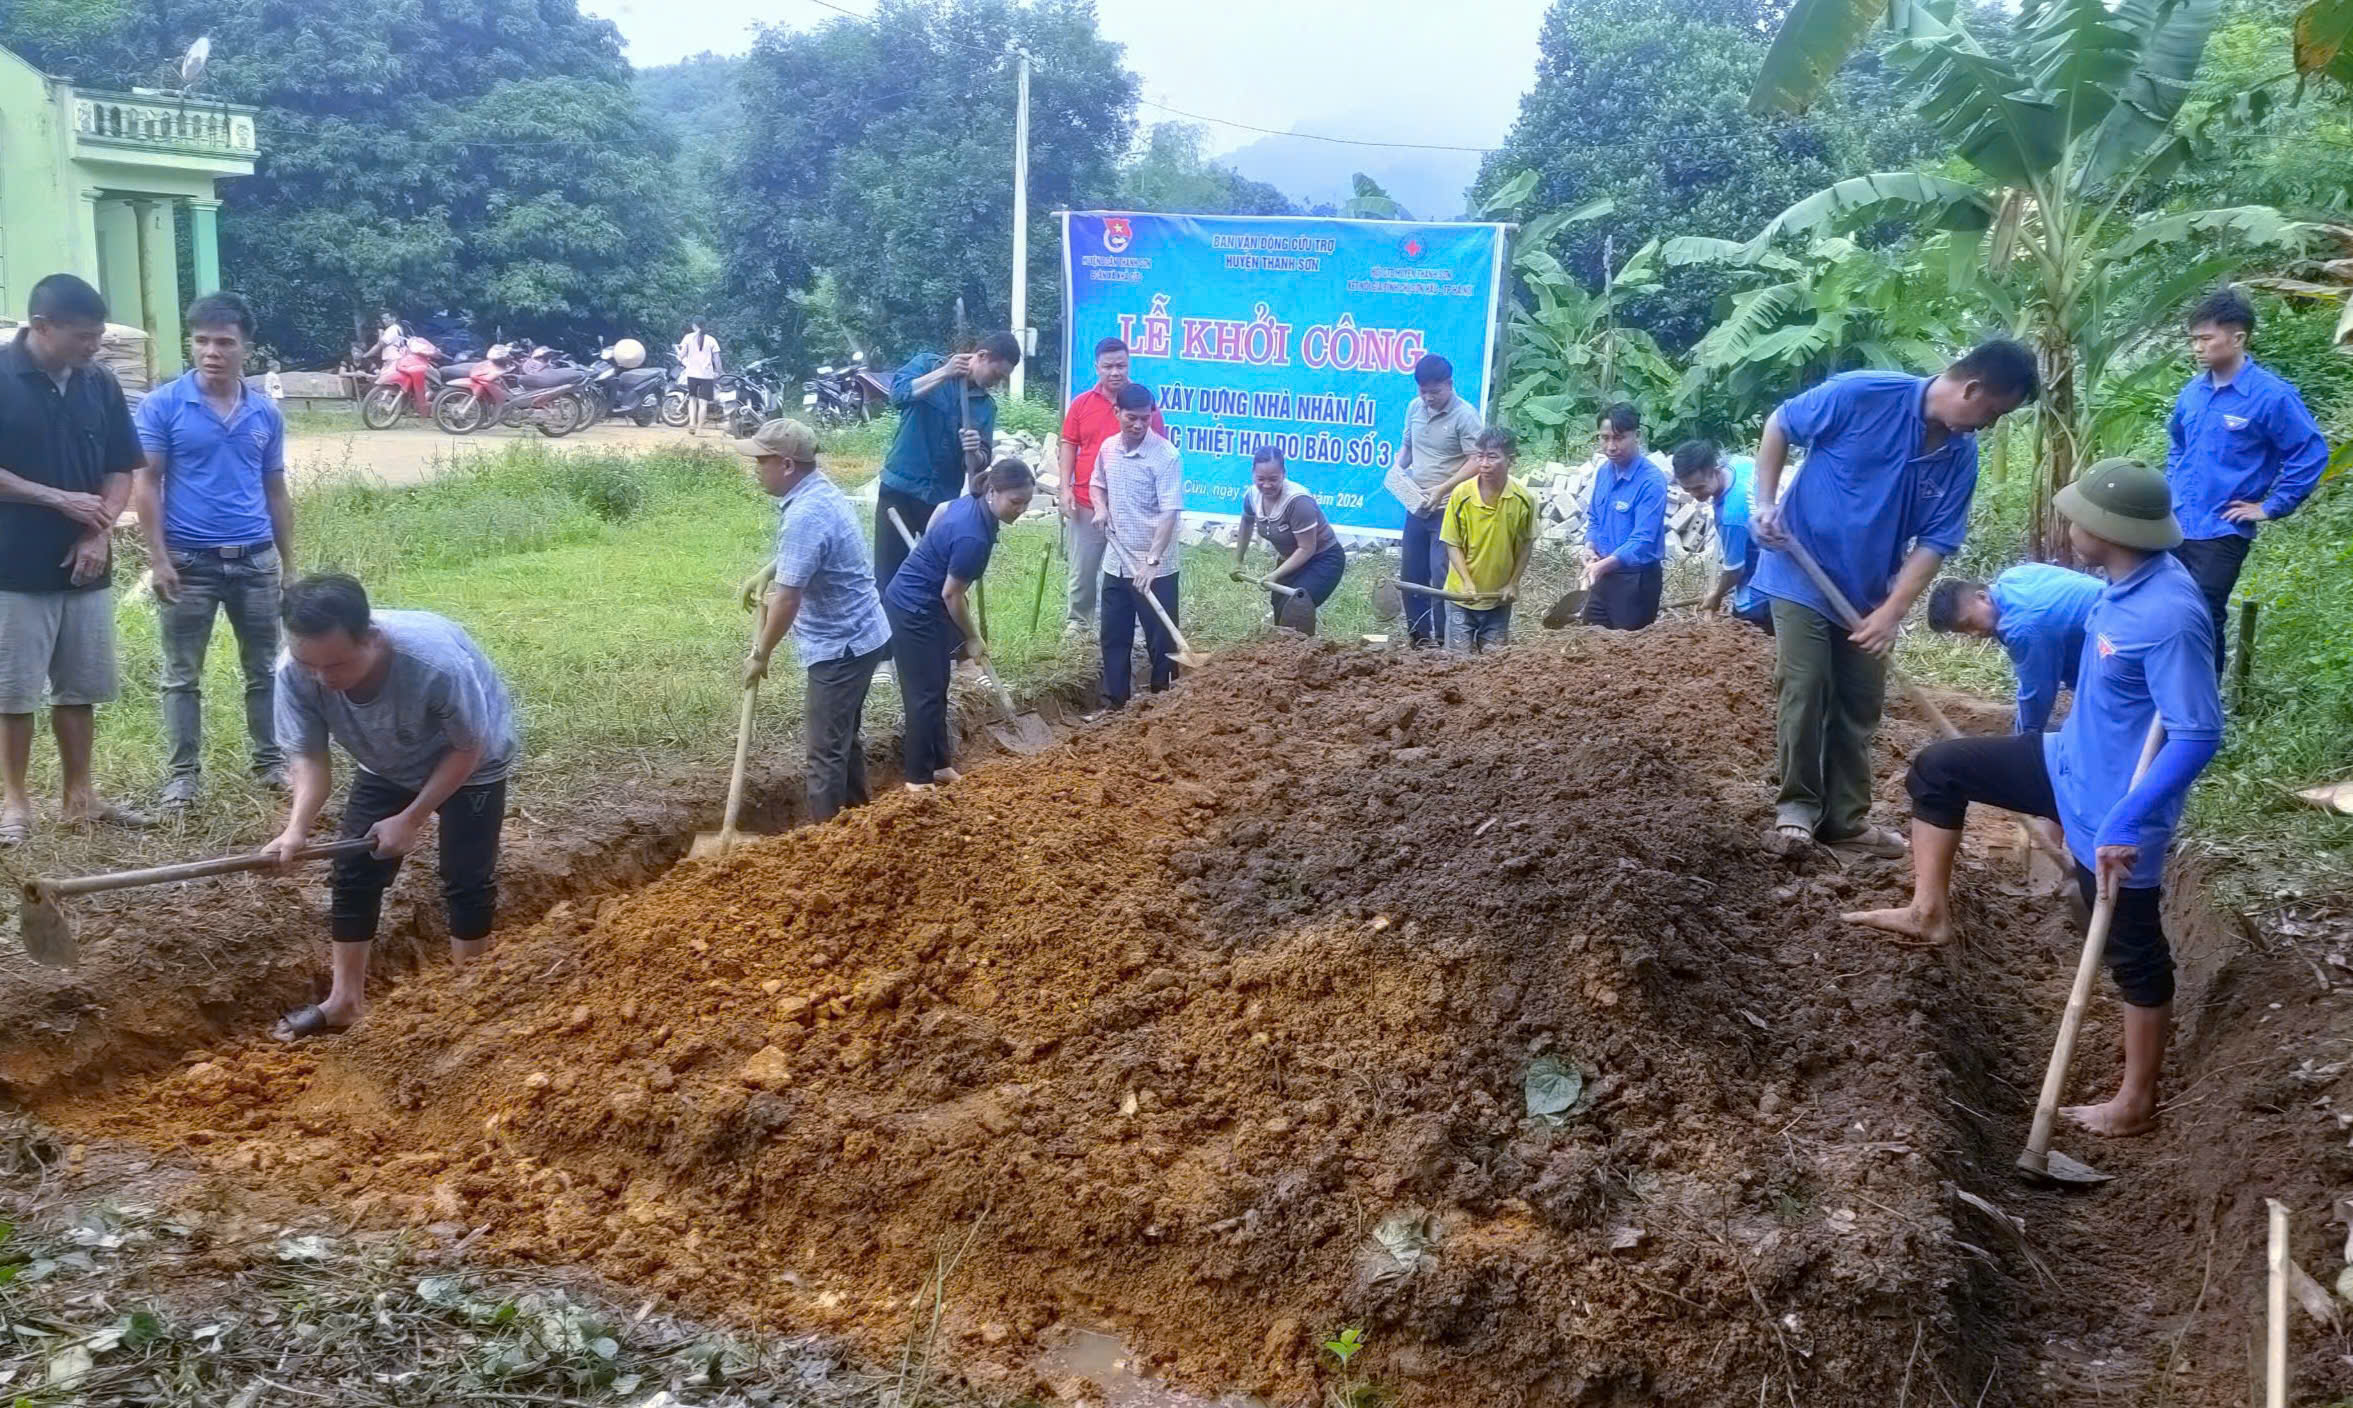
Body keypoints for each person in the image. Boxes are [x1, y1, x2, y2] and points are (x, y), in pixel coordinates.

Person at [1846, 460, 2222, 1139]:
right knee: (1939, 769)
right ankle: (1927, 911)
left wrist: (2128, 820)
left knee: (2133, 952)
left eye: (2078, 515)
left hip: (2116, 805)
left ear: (2108, 529)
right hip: (2065, 763)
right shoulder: (2118, 583)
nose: (2069, 524)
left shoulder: (2168, 614)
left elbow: (2197, 734)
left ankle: (2135, 1101)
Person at [1750, 340, 2040, 856]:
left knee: (1860, 703)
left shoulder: (1958, 458)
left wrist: (1890, 612)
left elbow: (1936, 542)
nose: (1989, 424)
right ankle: (1796, 808)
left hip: (1870, 591)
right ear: (1971, 389)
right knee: (1807, 684)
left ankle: (1845, 821)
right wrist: (1766, 502)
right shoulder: (1862, 394)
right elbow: (1780, 424)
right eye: (1992, 411)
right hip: (1799, 570)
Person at [264, 572, 520, 1040]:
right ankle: (344, 1002)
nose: (322, 679)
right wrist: (296, 827)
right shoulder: (294, 671)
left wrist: (412, 817)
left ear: (371, 639)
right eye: (310, 664)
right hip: (385, 762)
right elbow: (309, 758)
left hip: (471, 759)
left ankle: (472, 1001)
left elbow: (468, 748)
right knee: (354, 869)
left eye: (336, 665)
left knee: (465, 877)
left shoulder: (434, 665)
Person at [0, 274, 152, 847]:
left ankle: (80, 797)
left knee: (79, 686)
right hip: (12, 564)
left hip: (86, 565)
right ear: (42, 327)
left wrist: (99, 530)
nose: (94, 347)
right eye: (83, 336)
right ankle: (14, 804)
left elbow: (121, 466)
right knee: (12, 692)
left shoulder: (100, 384)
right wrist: (55, 497)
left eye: (97, 337)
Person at [132, 291, 296, 811]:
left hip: (255, 558)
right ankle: (183, 778)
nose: (211, 352)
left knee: (265, 668)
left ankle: (270, 764)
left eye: (224, 342)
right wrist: (157, 557)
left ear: (245, 347)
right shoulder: (163, 405)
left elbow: (276, 490)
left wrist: (288, 565)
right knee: (181, 675)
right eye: (201, 341)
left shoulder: (264, 413)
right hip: (189, 563)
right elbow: (147, 485)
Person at [2163, 286, 2329, 677]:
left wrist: (2271, 506)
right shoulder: (2193, 393)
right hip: (2175, 523)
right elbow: (2178, 445)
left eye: (2206, 338)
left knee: (2203, 613)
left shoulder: (2271, 396)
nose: (2197, 348)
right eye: (2194, 339)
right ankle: (2163, 706)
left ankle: (2203, 714)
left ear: (2237, 338)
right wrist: (2171, 486)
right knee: (2168, 610)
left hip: (2222, 529)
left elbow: (2310, 452)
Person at [738, 419, 891, 821]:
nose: (755, 468)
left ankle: (824, 849)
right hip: (864, 634)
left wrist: (760, 653)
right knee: (844, 740)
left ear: (787, 465)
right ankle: (859, 825)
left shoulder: (805, 513)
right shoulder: (821, 491)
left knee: (824, 753)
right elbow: (807, 553)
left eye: (761, 461)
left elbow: (787, 601)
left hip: (841, 646)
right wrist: (768, 571)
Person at [881, 459, 1036, 789]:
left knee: (937, 688)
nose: (1020, 510)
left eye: (1026, 503)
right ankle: (917, 781)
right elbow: (953, 595)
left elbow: (941, 509)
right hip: (912, 610)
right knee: (923, 695)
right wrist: (973, 638)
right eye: (1015, 502)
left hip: (929, 607)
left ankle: (939, 766)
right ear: (993, 492)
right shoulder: (973, 538)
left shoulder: (972, 505)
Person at [877, 333, 1020, 595]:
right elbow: (897, 395)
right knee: (887, 575)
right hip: (900, 487)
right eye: (997, 375)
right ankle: (888, 633)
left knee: (938, 578)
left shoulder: (986, 407)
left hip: (940, 500)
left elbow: (979, 464)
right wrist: (944, 373)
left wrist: (975, 451)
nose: (997, 384)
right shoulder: (928, 365)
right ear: (982, 356)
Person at [1058, 337, 1164, 636]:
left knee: (1133, 568)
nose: (1115, 372)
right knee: (1084, 568)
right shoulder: (1082, 404)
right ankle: (1078, 622)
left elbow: (1159, 451)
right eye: (1108, 366)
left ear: (1129, 365)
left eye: (1121, 365)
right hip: (1087, 502)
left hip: (1131, 508)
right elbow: (1068, 444)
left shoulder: (1143, 405)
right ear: (1097, 367)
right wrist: (1064, 487)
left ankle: (1138, 628)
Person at [1925, 564, 2105, 734]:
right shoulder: (2014, 576)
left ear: (1982, 597)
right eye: (1963, 632)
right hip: (2118, 603)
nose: (1972, 634)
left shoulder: (2022, 627)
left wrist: (2023, 739)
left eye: (1969, 623)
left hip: (2118, 641)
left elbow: (2036, 692)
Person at [1095, 382, 1184, 706]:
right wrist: (1101, 508)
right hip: (1117, 562)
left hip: (1156, 567)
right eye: (1131, 417)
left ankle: (1163, 702)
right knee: (1114, 636)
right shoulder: (1107, 449)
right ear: (1116, 412)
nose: (1138, 425)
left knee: (1161, 641)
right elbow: (1097, 485)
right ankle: (1114, 703)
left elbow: (1169, 512)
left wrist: (1152, 560)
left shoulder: (1166, 456)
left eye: (1145, 419)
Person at [1394, 353, 1483, 647]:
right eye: (1423, 391)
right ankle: (1419, 638)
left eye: (1435, 391)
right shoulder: (1413, 409)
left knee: (1441, 573)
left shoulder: (1465, 415)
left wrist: (1443, 489)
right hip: (1416, 503)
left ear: (1450, 384)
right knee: (1412, 572)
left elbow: (1476, 460)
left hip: (1448, 508)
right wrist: (1397, 470)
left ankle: (1446, 639)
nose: (1429, 398)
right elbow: (1406, 447)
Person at [1440, 427, 1538, 653]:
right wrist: (1466, 581)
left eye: (1492, 457)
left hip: (1498, 599)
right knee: (1457, 662)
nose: (1483, 464)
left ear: (1510, 459)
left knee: (1494, 666)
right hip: (1460, 598)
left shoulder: (1524, 500)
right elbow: (1452, 543)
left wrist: (1513, 582)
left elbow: (1526, 544)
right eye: (1480, 456)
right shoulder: (1461, 495)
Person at [1581, 403, 1668, 630]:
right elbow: (1594, 518)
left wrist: (1604, 566)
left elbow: (1643, 540)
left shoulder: (1651, 482)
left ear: (1636, 436)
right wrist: (1589, 547)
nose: (1611, 446)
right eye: (1604, 438)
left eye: (1619, 438)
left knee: (1627, 652)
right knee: (1592, 640)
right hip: (1602, 574)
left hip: (1635, 581)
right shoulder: (1604, 472)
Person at [1670, 439, 1771, 633]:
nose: (1693, 495)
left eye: (1699, 487)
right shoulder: (1741, 464)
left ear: (1715, 469)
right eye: (1687, 489)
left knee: (1748, 637)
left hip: (1759, 595)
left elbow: (1735, 570)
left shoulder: (1731, 516)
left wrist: (1716, 595)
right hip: (1778, 572)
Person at [1235, 447, 1345, 617]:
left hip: (1323, 559)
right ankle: (1285, 644)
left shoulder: (1298, 502)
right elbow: (1247, 521)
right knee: (1279, 605)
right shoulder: (1252, 495)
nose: (1266, 485)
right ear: (1252, 474)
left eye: (1273, 479)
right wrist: (1238, 560)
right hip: (1290, 559)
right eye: (1260, 479)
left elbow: (1307, 548)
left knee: (1296, 605)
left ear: (1284, 474)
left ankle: (1304, 644)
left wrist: (1275, 574)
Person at [676, 321, 722, 437]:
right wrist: (719, 372)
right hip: (706, 375)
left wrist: (678, 355)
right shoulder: (712, 340)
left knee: (692, 399)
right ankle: (699, 429)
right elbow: (717, 360)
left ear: (694, 325)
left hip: (691, 373)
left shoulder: (688, 338)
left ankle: (692, 423)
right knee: (703, 403)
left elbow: (681, 355)